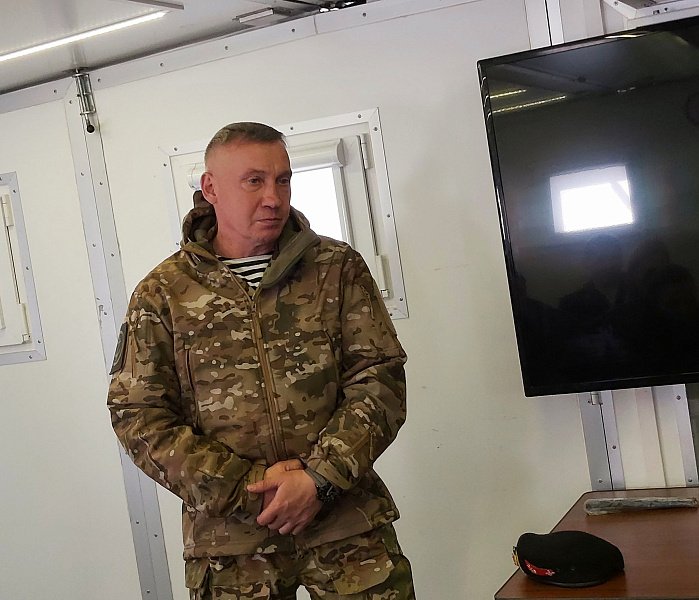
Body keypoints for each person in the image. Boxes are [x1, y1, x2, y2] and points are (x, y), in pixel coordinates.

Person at [107, 122, 414, 600]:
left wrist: (319, 479)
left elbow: (380, 379)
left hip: (345, 525)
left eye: (282, 180)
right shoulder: (163, 293)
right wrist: (249, 488)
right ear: (211, 188)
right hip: (232, 544)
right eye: (254, 181)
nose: (273, 197)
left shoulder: (336, 268)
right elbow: (139, 415)